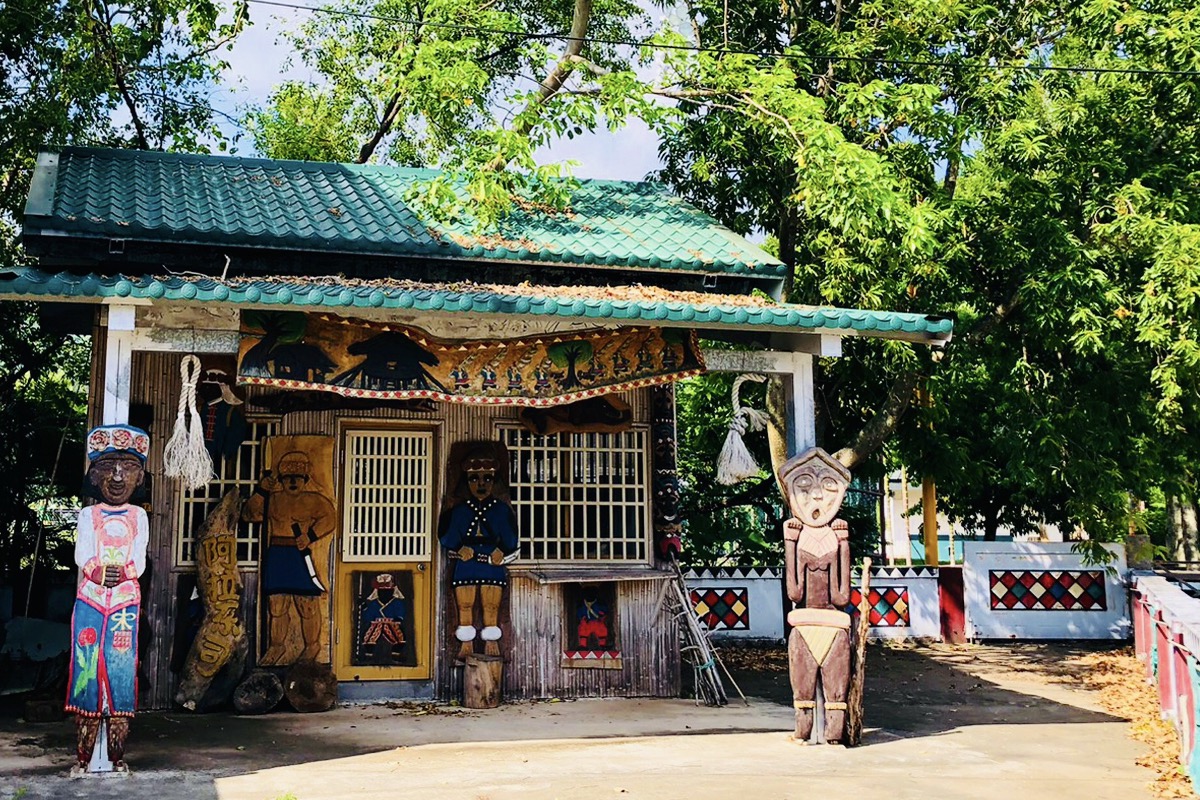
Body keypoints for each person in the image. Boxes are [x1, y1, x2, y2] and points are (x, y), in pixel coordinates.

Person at [67, 424, 150, 773]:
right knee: (86, 667)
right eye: (109, 468)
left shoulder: (138, 515)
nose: (118, 477)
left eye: (128, 468)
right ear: (95, 475)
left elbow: (140, 559)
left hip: (124, 604)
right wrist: (97, 571)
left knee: (120, 667)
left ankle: (117, 752)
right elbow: (82, 554)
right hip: (91, 599)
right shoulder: (89, 515)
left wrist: (124, 572)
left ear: (139, 476)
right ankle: (83, 753)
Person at [779, 447, 853, 744]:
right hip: (805, 624)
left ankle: (834, 732)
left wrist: (844, 546)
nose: (818, 497)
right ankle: (804, 729)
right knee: (803, 690)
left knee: (837, 693)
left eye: (829, 488)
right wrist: (790, 543)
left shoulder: (835, 541)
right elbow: (795, 592)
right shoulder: (800, 540)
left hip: (832, 626)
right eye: (805, 487)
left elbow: (842, 596)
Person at [242, 450, 336, 665]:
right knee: (277, 604)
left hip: (299, 553)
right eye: (288, 479)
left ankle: (312, 646)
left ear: (305, 479)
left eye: (298, 478)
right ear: (281, 480)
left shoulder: (314, 500)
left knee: (307, 603)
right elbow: (250, 514)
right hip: (277, 554)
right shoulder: (273, 499)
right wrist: (261, 491)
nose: (293, 483)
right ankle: (277, 646)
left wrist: (310, 535)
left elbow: (329, 518)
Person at [439, 450, 519, 659]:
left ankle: (491, 642)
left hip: (492, 562)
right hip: (466, 562)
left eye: (487, 478)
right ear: (466, 481)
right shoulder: (459, 510)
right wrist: (458, 547)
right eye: (474, 478)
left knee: (491, 605)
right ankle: (466, 645)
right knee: (464, 605)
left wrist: (503, 550)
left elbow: (511, 538)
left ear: (494, 481)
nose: (481, 484)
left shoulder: (501, 510)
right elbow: (446, 535)